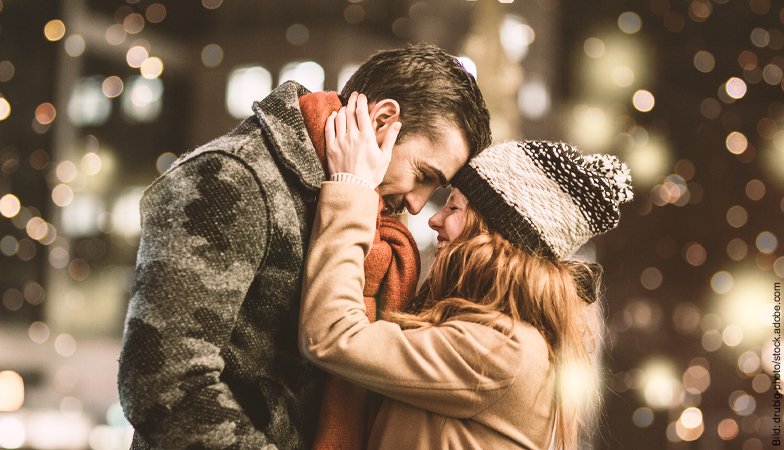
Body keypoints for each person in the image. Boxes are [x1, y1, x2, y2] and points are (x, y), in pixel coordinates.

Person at [117, 43, 491, 450]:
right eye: (423, 175)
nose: (418, 205)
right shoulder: (231, 177)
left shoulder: (360, 214)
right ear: (383, 120)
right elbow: (163, 382)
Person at [299, 102, 633, 449]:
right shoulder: (507, 338)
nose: (434, 219)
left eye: (454, 207)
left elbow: (333, 334)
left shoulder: (501, 350)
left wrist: (350, 186)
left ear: (494, 235)